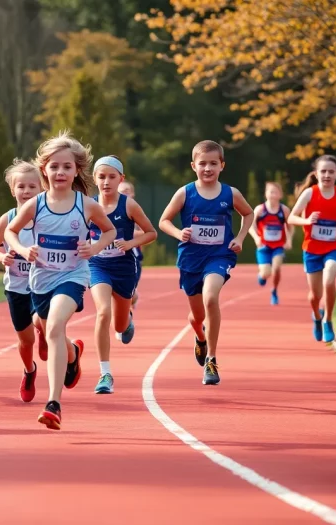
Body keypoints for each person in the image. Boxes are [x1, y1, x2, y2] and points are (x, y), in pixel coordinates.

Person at [5, 131, 116, 430]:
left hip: (73, 275)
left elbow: (110, 231)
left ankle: (53, 403)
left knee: (53, 326)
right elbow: (10, 232)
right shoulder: (36, 205)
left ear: (76, 170)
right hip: (40, 279)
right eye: (54, 167)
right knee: (49, 330)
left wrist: (93, 248)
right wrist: (21, 249)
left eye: (66, 167)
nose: (60, 172)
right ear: (45, 170)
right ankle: (73, 353)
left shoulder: (87, 205)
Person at [159, 140, 254, 385]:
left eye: (213, 163)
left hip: (219, 256)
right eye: (203, 164)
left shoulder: (230, 193)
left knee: (211, 298)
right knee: (196, 316)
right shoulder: (185, 192)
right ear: (194, 166)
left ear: (222, 165)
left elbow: (249, 213)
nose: (208, 168)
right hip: (191, 259)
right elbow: (164, 221)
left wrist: (240, 238)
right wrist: (179, 233)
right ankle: (200, 337)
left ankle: (211, 359)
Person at [89, 156, 156, 394]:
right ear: (94, 179)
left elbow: (151, 233)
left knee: (118, 325)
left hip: (124, 268)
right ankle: (105, 373)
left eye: (111, 177)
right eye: (101, 177)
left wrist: (130, 242)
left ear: (121, 179)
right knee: (102, 312)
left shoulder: (128, 205)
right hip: (97, 266)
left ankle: (126, 319)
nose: (106, 182)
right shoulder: (89, 205)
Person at [0, 159, 48, 402]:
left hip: (42, 283)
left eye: (32, 187)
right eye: (21, 186)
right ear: (13, 190)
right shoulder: (7, 218)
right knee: (25, 341)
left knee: (40, 320)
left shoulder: (47, 218)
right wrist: (2, 256)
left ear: (42, 189)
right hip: (16, 288)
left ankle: (43, 330)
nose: (26, 191)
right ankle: (29, 371)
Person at [287, 156, 336, 343]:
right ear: (316, 174)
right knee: (314, 296)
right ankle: (317, 317)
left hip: (334, 245)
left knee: (330, 277)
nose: (327, 175)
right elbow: (291, 218)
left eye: (331, 171)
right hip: (312, 248)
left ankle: (328, 319)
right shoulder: (309, 194)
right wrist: (307, 221)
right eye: (323, 171)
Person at [248, 182, 293, 305]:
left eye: (275, 192)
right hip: (263, 246)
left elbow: (290, 226)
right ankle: (262, 276)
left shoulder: (284, 210)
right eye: (270, 192)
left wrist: (289, 240)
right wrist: (256, 237)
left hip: (278, 245)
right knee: (266, 273)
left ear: (280, 195)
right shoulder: (260, 209)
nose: (273, 195)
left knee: (277, 267)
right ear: (266, 194)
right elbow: (250, 226)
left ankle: (274, 290)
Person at [117, 180, 145, 308]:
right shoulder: (108, 211)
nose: (124, 194)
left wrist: (128, 235)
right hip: (111, 257)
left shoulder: (136, 211)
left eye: (127, 191)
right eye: (121, 192)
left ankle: (133, 299)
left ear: (132, 194)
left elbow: (146, 233)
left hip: (131, 257)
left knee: (129, 294)